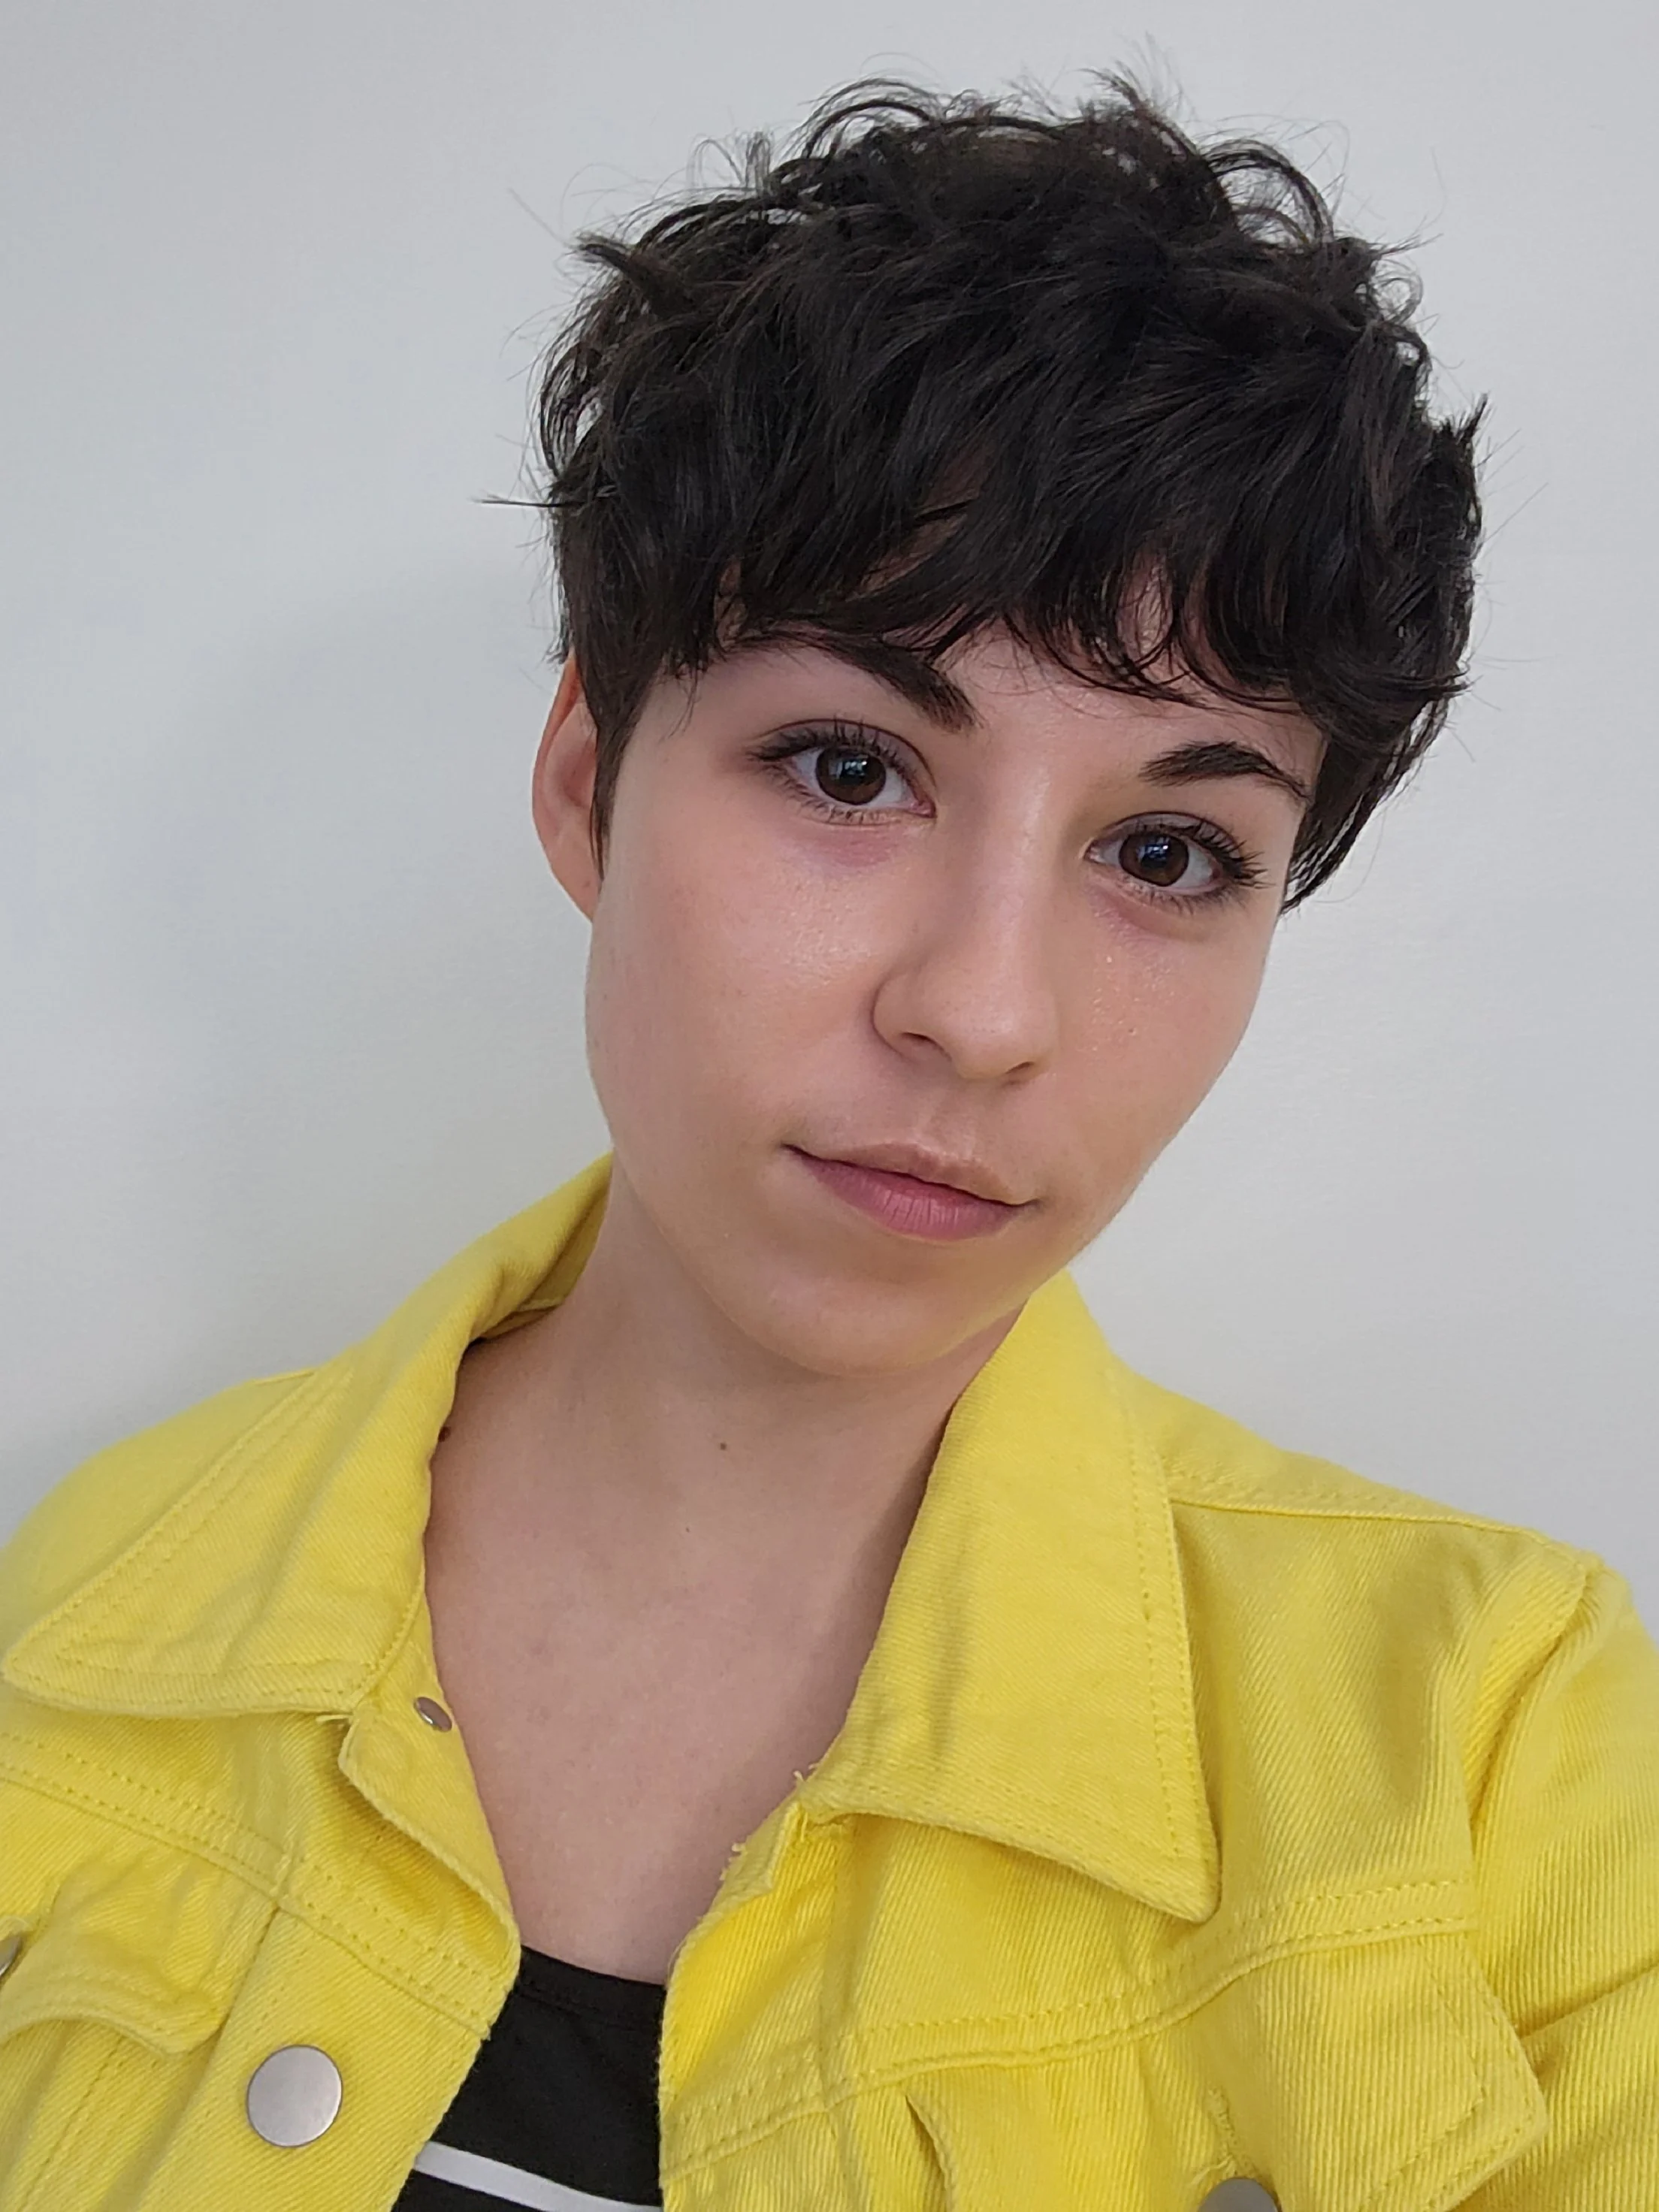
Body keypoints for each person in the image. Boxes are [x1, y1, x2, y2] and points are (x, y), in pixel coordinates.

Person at [0, 68, 1652, 2212]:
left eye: (1168, 847)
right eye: (851, 768)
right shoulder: (100, 1613)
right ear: (589, 782)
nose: (981, 1011)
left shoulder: (1507, 1752)